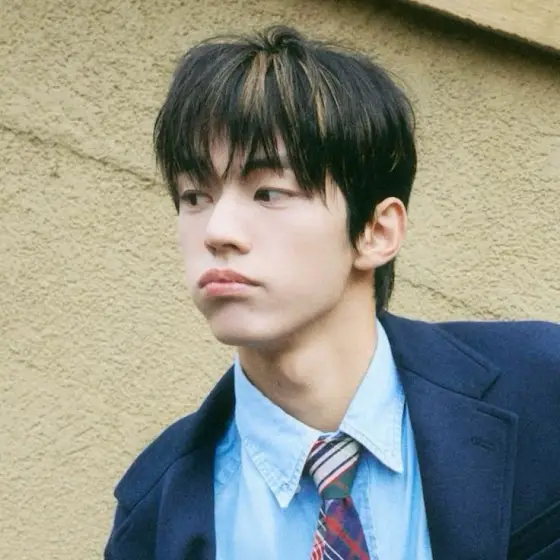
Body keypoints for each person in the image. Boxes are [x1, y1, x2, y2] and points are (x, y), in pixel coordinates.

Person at [104, 25, 560, 560]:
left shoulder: (542, 387)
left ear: (377, 231)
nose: (217, 231)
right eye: (193, 196)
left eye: (268, 192)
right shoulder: (154, 511)